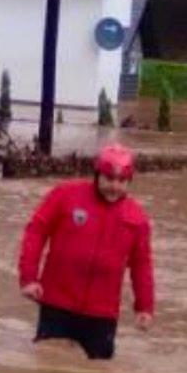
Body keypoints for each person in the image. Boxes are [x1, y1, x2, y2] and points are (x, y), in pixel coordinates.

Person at [18, 144, 154, 360]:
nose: (114, 186)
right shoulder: (65, 195)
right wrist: (28, 278)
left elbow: (141, 264)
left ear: (129, 181)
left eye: (121, 181)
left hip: (102, 314)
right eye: (109, 179)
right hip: (57, 303)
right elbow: (36, 232)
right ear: (97, 174)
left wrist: (144, 307)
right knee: (47, 366)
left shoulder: (137, 218)